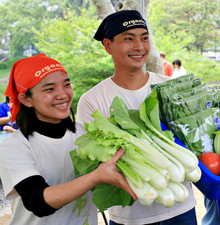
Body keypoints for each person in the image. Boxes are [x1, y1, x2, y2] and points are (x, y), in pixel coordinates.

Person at [77, 10, 198, 225]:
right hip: (129, 218)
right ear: (108, 46)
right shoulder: (92, 101)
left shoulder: (168, 86)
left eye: (144, 38)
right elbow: (96, 161)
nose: (139, 47)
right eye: (128, 39)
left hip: (182, 210)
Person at [0, 53, 136, 225]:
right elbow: (37, 202)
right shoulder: (14, 147)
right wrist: (96, 177)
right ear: (26, 99)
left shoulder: (87, 133)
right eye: (50, 89)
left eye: (66, 85)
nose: (63, 94)